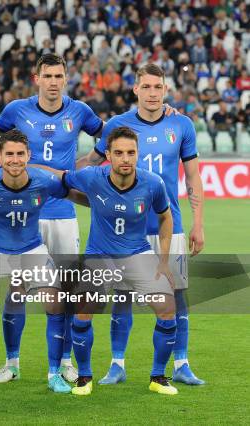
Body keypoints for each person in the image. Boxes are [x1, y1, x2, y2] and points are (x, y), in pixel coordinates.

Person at [77, 63, 205, 386]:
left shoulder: (182, 124)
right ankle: (117, 365)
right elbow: (91, 165)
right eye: (145, 87)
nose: (152, 93)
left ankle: (181, 363)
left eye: (157, 87)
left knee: (176, 295)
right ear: (135, 89)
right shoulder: (117, 126)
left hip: (168, 224)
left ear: (165, 90)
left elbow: (192, 177)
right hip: (126, 228)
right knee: (122, 296)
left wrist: (198, 223)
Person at [0, 129, 87, 393]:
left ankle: (54, 374)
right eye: (9, 154)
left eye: (20, 154)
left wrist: (100, 203)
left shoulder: (44, 180)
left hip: (32, 249)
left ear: (29, 156)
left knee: (55, 303)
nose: (15, 159)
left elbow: (70, 194)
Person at [0, 53, 103, 384]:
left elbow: (110, 136)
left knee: (65, 290)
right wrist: (4, 164)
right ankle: (11, 362)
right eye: (48, 76)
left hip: (64, 213)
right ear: (36, 78)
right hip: (26, 213)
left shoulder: (80, 111)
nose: (53, 82)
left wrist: (81, 167)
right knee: (17, 287)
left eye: (59, 76)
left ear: (66, 79)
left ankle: (66, 361)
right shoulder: (16, 110)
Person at [62, 126, 178, 396]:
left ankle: (158, 377)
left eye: (131, 153)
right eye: (119, 153)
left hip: (138, 253)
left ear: (138, 154)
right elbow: (63, 181)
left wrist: (163, 262)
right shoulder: (92, 176)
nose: (125, 159)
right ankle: (85, 377)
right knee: (82, 313)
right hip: (99, 255)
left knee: (167, 309)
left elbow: (165, 217)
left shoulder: (153, 183)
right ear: (109, 156)